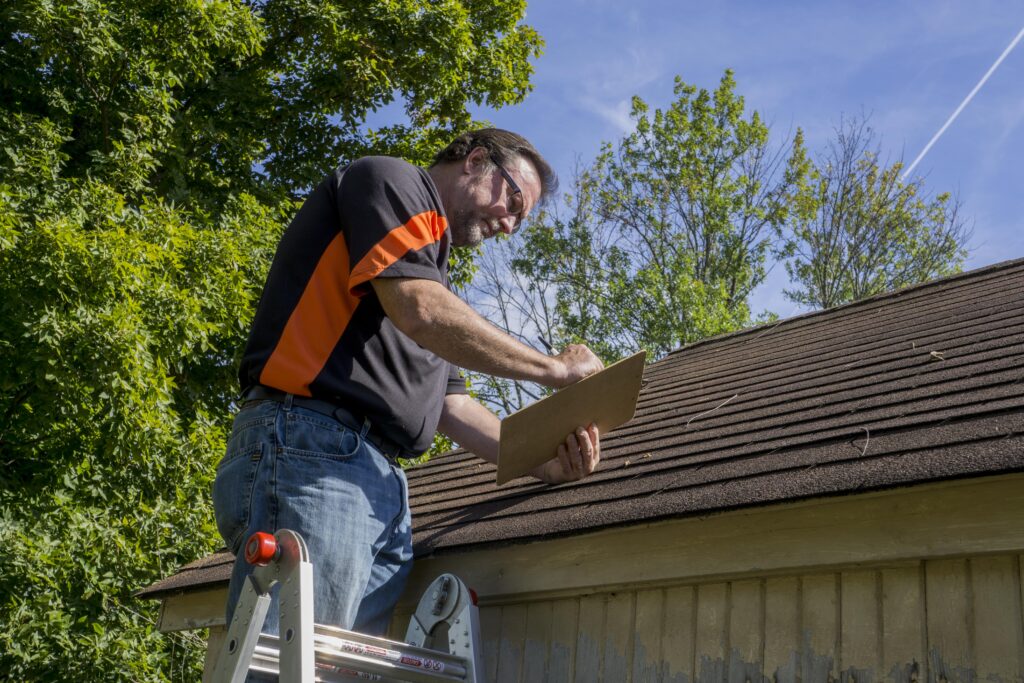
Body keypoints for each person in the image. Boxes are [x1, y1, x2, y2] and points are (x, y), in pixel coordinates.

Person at [212, 129, 604, 639]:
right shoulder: (391, 182)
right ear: (477, 160)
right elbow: (420, 311)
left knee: (333, 672)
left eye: (519, 219)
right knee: (295, 665)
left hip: (375, 482)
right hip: (313, 450)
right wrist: (553, 369)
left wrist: (544, 464)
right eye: (512, 201)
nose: (509, 225)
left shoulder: (430, 283)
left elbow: (451, 407)